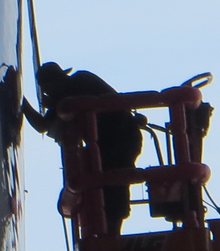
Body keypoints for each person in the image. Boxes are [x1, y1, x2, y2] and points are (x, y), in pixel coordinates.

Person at [24, 62, 145, 233]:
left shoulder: (80, 81)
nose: (46, 93)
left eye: (47, 87)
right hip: (110, 141)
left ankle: (111, 234)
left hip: (121, 137)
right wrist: (25, 105)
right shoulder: (65, 95)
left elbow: (45, 123)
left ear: (55, 81)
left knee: (113, 183)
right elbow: (43, 125)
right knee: (109, 184)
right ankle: (110, 232)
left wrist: (30, 104)